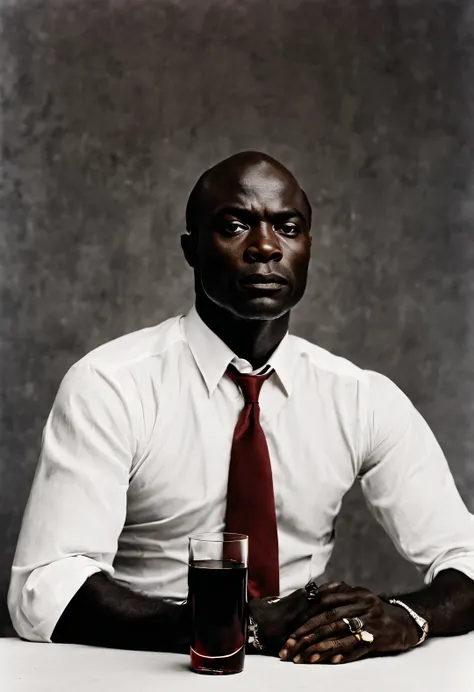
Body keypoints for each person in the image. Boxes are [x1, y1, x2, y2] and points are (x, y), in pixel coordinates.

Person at [8, 151, 474, 665]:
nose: (266, 247)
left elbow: (466, 557)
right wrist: (233, 624)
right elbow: (45, 589)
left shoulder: (361, 397)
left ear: (308, 249)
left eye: (288, 228)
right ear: (191, 249)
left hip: (303, 670)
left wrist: (405, 618)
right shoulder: (112, 386)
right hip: (147, 666)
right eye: (234, 226)